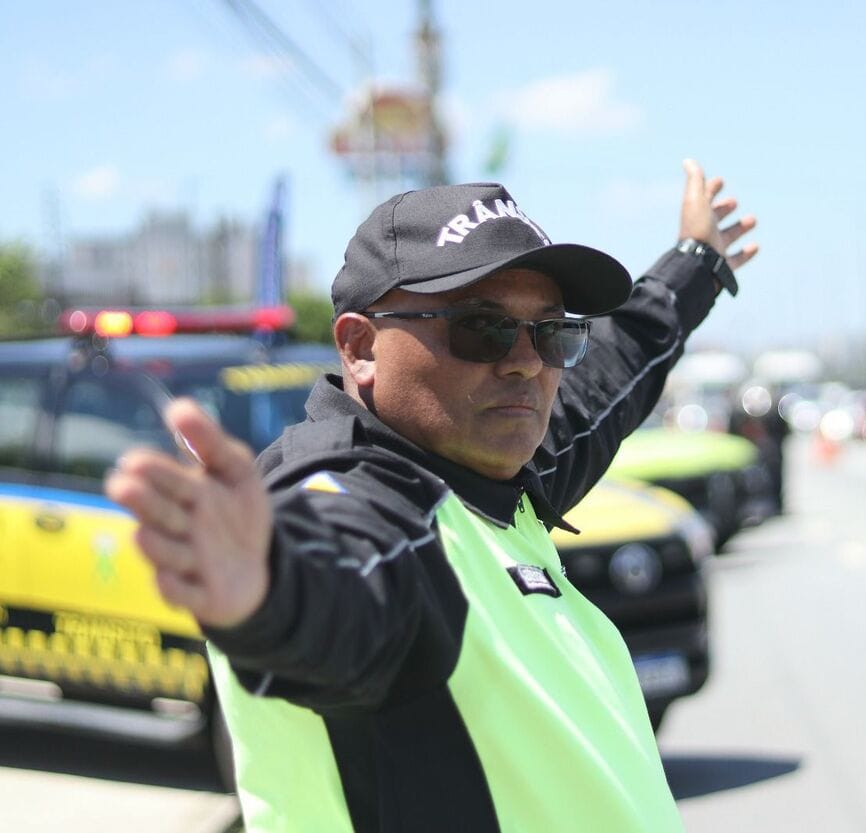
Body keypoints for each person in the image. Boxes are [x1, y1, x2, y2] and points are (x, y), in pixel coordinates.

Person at [105, 159, 757, 832]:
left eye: (555, 330)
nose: (527, 360)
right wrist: (271, 590)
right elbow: (346, 582)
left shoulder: (494, 472)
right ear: (360, 347)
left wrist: (696, 261)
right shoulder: (352, 495)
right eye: (483, 326)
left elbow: (605, 384)